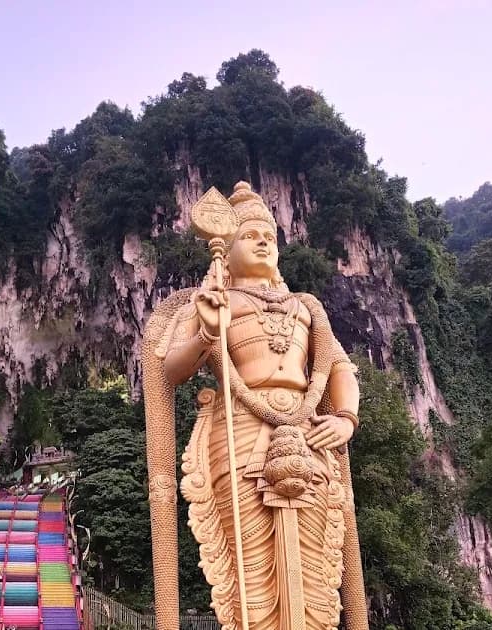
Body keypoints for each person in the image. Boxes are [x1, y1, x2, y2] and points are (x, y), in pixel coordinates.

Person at [143, 182, 365, 630]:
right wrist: (207, 332)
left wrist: (345, 418)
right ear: (227, 248)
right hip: (239, 431)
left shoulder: (306, 307)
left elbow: (339, 367)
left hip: (308, 436)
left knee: (315, 565)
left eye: (270, 237)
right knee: (250, 567)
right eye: (250, 235)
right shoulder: (213, 301)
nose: (264, 242)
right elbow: (171, 369)